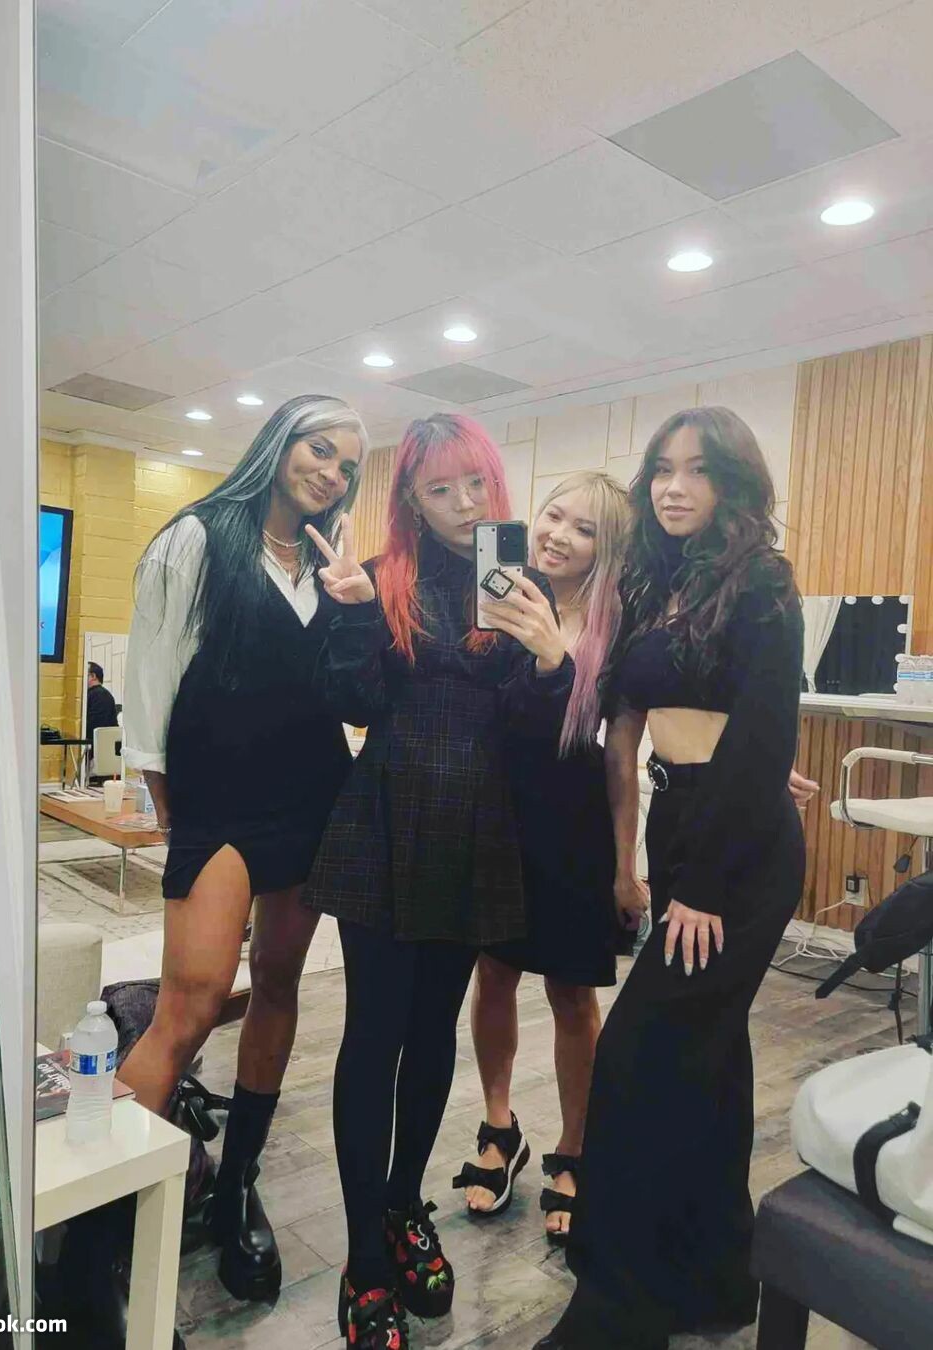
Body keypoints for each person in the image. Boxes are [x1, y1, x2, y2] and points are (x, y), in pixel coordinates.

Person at [535, 407, 806, 1350]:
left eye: (698, 470)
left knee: (636, 1060)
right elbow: (644, 715)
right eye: (662, 469)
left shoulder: (762, 579)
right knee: (709, 1064)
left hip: (738, 857)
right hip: (683, 824)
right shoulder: (663, 578)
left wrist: (704, 887)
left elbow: (766, 729)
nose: (674, 487)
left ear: (734, 483)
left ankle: (620, 1307)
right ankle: (718, 1278)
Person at [303, 414, 574, 1350]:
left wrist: (550, 657)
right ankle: (362, 1255)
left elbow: (533, 726)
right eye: (440, 489)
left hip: (478, 826)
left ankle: (402, 1204)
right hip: (387, 816)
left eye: (476, 484)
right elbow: (353, 703)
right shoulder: (381, 577)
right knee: (373, 1036)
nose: (463, 504)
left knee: (431, 1036)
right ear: (411, 501)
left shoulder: (521, 583)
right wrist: (349, 611)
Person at [118, 395, 366, 1302]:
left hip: (312, 799)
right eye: (319, 449)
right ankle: (105, 1225)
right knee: (190, 1003)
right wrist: (170, 807)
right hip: (219, 802)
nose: (331, 473)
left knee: (279, 985)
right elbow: (150, 688)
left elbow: (344, 690)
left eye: (347, 466)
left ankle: (236, 1183)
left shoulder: (332, 565)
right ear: (277, 443)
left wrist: (358, 607)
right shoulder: (197, 537)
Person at [454, 472, 631, 1241]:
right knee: (492, 974)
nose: (559, 534)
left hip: (574, 826)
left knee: (571, 996)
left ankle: (576, 1148)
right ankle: (500, 1130)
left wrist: (626, 865)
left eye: (584, 528)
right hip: (499, 817)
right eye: (554, 515)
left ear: (608, 547)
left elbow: (620, 752)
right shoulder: (502, 595)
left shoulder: (620, 624)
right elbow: (483, 708)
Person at [85, 662, 119, 780]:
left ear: (93, 676)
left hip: (97, 752)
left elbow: (94, 726)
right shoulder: (103, 695)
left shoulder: (98, 695)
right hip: (103, 750)